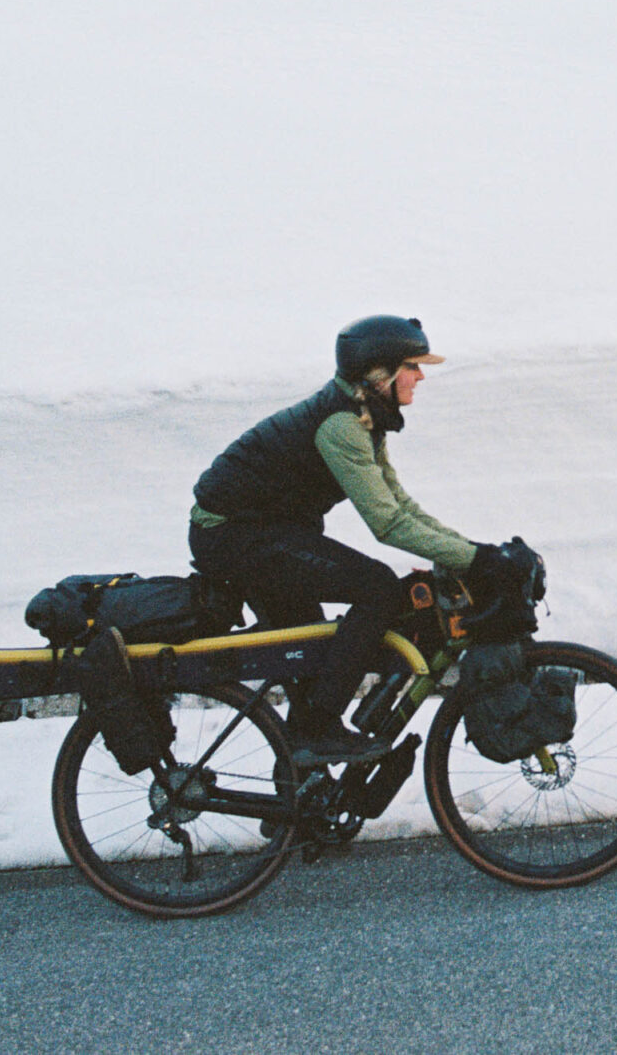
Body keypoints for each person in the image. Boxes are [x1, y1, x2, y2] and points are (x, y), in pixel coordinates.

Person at [188, 315, 523, 764]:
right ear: (379, 373)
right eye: (414, 366)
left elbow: (402, 505)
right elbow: (387, 524)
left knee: (309, 663)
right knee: (377, 588)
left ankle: (299, 796)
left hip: (268, 532)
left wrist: (475, 552)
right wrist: (476, 560)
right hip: (232, 536)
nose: (422, 376)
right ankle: (316, 728)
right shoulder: (341, 425)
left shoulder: (366, 417)